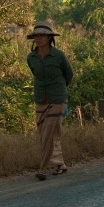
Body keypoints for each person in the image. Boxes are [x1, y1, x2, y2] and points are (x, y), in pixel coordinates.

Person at [27, 21, 73, 181]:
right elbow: (35, 73)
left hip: (58, 98)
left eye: (42, 35)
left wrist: (60, 90)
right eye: (36, 36)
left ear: (49, 38)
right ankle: (60, 163)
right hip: (41, 98)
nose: (39, 39)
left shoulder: (59, 55)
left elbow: (68, 74)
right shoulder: (31, 57)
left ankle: (43, 168)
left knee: (48, 133)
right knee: (46, 133)